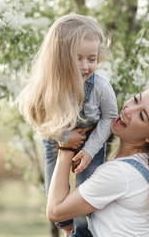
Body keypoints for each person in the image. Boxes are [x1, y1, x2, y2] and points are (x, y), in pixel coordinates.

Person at [17, 13, 118, 236]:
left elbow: (110, 116)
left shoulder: (101, 86)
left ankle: (82, 231)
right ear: (60, 58)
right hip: (56, 137)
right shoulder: (48, 85)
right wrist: (65, 138)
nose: (85, 67)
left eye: (92, 59)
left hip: (91, 138)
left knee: (87, 189)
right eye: (78, 58)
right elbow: (39, 121)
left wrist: (90, 150)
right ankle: (67, 227)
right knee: (52, 189)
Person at [46, 86, 149, 237]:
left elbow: (56, 211)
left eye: (141, 115)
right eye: (136, 100)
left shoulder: (121, 173)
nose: (128, 110)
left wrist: (66, 146)